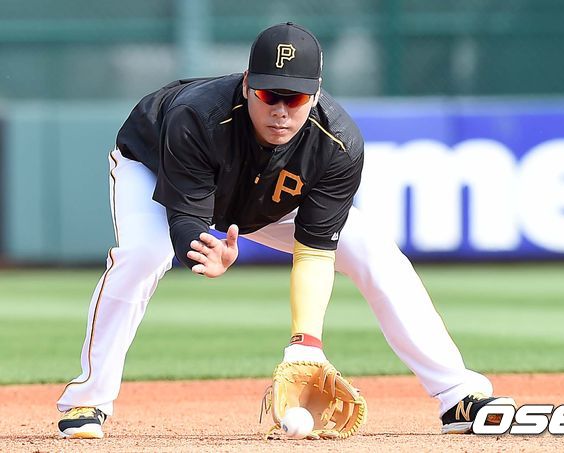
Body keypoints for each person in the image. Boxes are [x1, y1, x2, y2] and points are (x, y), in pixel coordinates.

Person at [56, 22, 513, 439]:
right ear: (246, 85)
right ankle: (87, 400)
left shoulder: (338, 145)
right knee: (143, 255)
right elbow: (185, 217)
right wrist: (203, 247)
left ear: (315, 94)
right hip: (152, 167)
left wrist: (305, 346)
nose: (279, 110)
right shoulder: (196, 117)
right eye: (268, 94)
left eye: (293, 98)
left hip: (268, 198)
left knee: (374, 250)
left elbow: (314, 251)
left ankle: (458, 396)